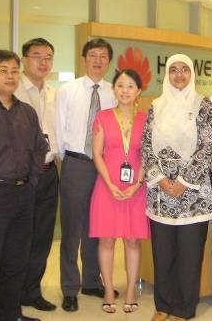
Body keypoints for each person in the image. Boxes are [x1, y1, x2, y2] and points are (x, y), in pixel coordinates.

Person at [142, 54, 212, 321]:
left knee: (190, 254)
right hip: (160, 192)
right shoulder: (156, 105)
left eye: (184, 69)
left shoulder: (202, 105)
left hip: (193, 193)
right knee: (163, 253)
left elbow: (206, 146)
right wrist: (161, 179)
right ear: (167, 75)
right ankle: (163, 305)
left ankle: (184, 309)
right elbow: (146, 146)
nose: (179, 75)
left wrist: (184, 182)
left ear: (192, 74)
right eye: (173, 70)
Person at [0, 50, 48, 321]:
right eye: (3, 70)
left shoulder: (26, 111)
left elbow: (40, 148)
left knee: (16, 260)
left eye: (14, 71)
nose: (10, 76)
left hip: (24, 194)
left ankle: (12, 313)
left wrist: (32, 182)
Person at [55, 38, 117, 312]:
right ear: (84, 58)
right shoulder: (67, 90)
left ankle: (91, 281)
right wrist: (67, 160)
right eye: (93, 54)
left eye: (103, 56)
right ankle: (70, 287)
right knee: (72, 229)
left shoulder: (114, 92)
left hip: (105, 166)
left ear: (109, 61)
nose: (98, 60)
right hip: (77, 163)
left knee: (97, 226)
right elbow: (59, 128)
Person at [89, 69, 149, 314]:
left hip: (136, 188)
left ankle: (131, 290)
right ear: (113, 89)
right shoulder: (102, 117)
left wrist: (137, 184)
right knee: (107, 239)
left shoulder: (146, 119)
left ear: (138, 91)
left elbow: (147, 155)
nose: (125, 90)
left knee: (133, 240)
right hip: (107, 186)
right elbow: (97, 153)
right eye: (120, 85)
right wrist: (110, 183)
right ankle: (108, 289)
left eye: (130, 86)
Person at [14, 38, 59, 312]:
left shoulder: (55, 94)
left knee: (42, 236)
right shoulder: (13, 91)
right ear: (24, 60)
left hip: (49, 172)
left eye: (48, 57)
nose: (43, 62)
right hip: (21, 176)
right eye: (37, 56)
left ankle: (32, 291)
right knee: (19, 237)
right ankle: (14, 292)